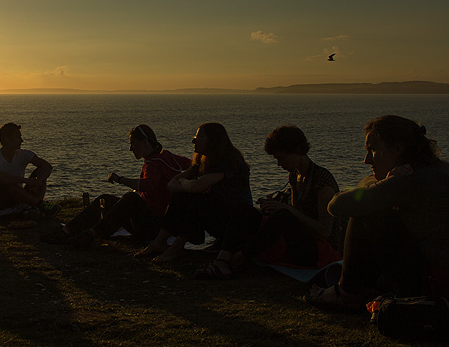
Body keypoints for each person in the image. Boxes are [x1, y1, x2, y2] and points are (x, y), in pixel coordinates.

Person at [306, 115, 449, 312]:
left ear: (397, 149)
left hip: (433, 285)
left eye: (372, 150)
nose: (366, 160)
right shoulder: (437, 171)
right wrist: (382, 182)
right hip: (433, 277)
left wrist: (386, 183)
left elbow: (337, 205)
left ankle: (346, 293)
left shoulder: (408, 181)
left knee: (367, 214)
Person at [195, 125, 342, 279]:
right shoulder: (295, 176)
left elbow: (325, 231)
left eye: (282, 158)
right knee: (243, 209)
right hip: (297, 238)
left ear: (298, 151)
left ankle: (238, 259)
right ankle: (222, 260)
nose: (279, 164)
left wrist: (287, 210)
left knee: (282, 215)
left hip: (319, 250)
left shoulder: (322, 184)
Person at [40, 124, 191, 249]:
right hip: (161, 223)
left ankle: (86, 234)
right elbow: (193, 165)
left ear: (145, 142)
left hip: (154, 227)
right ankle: (69, 231)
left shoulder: (154, 163)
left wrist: (120, 179)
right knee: (105, 200)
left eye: (133, 143)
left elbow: (148, 185)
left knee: (130, 198)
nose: (130, 148)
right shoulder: (169, 157)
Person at [136, 122, 251, 263]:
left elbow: (196, 186)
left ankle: (176, 247)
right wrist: (189, 184)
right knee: (182, 195)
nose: (193, 140)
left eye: (198, 137)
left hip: (235, 224)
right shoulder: (203, 161)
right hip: (214, 218)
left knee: (202, 198)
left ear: (211, 140)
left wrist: (187, 183)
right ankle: (159, 241)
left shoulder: (229, 162)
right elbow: (171, 185)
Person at [0, 123, 60, 219]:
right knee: (8, 184)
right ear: (7, 139)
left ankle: (35, 206)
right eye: (17, 137)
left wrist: (39, 181)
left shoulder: (23, 154)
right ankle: (40, 205)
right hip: (0, 202)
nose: (22, 140)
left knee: (41, 172)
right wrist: (25, 180)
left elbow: (46, 166)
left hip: (19, 197)